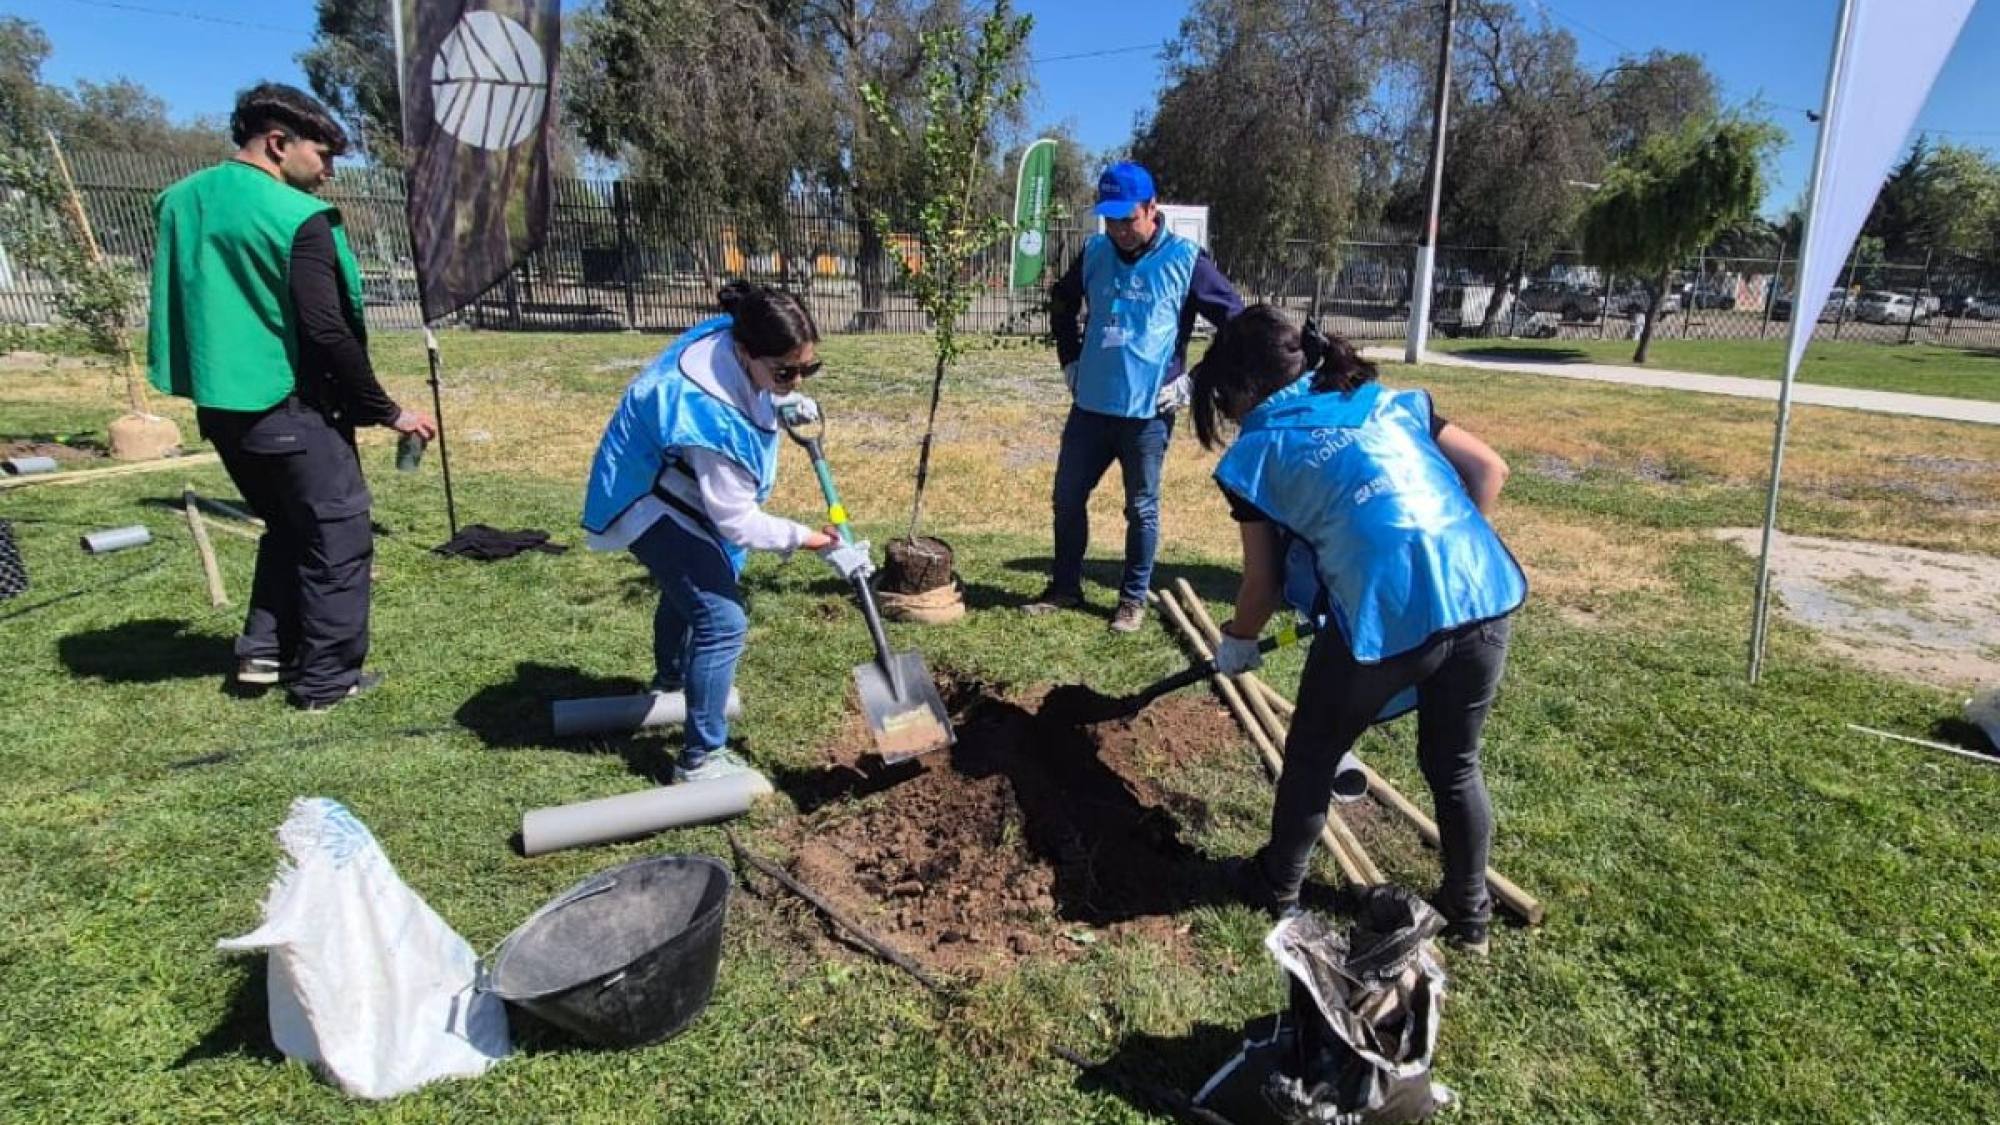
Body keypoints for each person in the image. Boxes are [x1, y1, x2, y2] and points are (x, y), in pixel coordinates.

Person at [1192, 306, 1527, 955]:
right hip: (1482, 592)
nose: (1229, 413)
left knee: (1314, 753)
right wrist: (1446, 550)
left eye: (1225, 398)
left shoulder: (1258, 454)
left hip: (1386, 614)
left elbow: (1259, 583)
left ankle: (1277, 885)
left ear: (1244, 386)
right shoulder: (1389, 402)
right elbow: (1489, 471)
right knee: (1454, 764)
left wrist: (1238, 639)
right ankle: (1471, 914)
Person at [147, 83, 437, 710]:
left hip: (224, 407)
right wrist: (385, 410)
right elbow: (325, 328)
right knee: (338, 540)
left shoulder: (183, 201)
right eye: (324, 155)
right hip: (289, 406)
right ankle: (327, 681)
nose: (329, 172)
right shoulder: (292, 217)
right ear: (278, 144)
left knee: (286, 525)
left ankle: (263, 652)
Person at [582, 283, 872, 783]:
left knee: (687, 591)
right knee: (721, 619)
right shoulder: (709, 415)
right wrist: (812, 540)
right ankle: (700, 760)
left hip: (671, 479)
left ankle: (673, 685)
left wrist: (783, 397)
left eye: (807, 368)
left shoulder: (736, 334)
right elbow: (735, 520)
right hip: (643, 495)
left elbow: (753, 389)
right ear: (745, 352)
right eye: (785, 371)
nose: (797, 379)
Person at [1031, 161, 1242, 633]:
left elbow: (1239, 323)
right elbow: (1062, 304)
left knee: (1140, 508)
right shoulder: (1094, 252)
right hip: (1090, 407)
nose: (1119, 230)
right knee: (1067, 498)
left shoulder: (1187, 260)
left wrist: (1194, 380)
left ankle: (1131, 599)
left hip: (1147, 413)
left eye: (1128, 219)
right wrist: (1069, 360)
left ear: (1152, 208)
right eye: (1111, 220)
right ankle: (1065, 586)